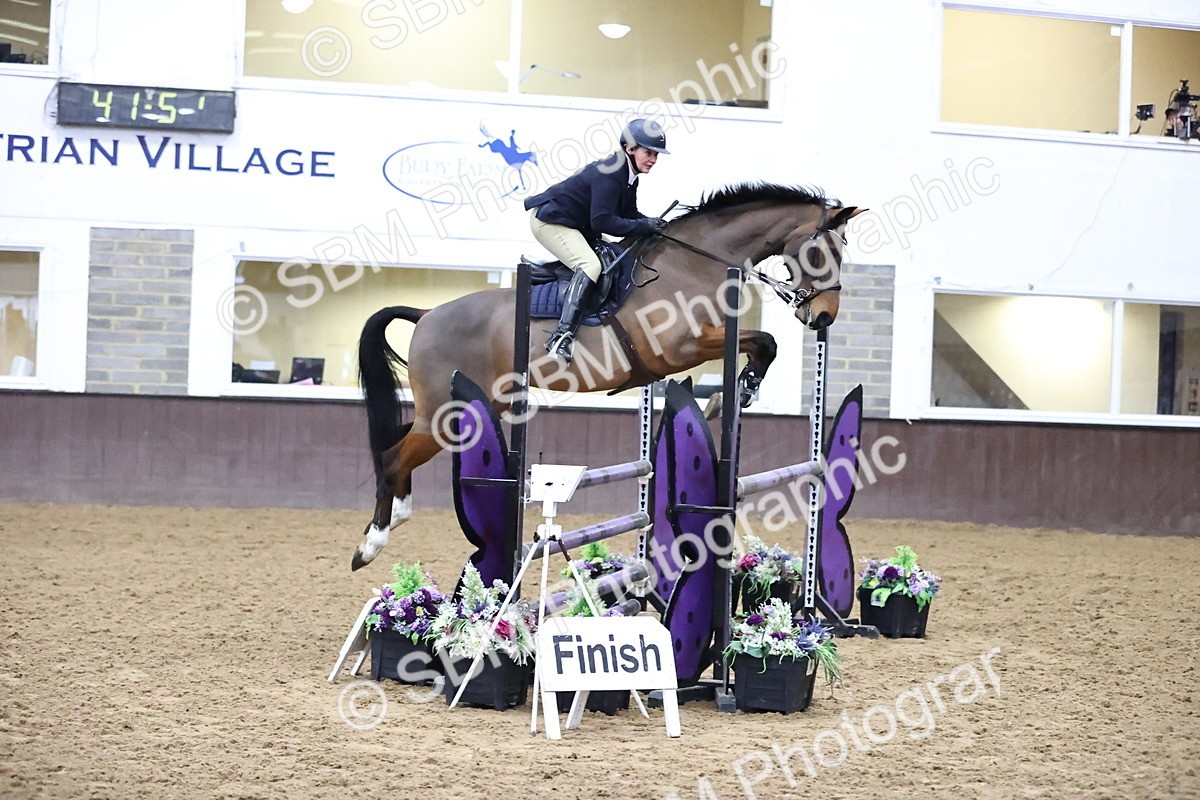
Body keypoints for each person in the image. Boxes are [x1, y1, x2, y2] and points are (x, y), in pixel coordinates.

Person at [524, 118, 670, 363]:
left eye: (656, 154)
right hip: (551, 221)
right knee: (591, 265)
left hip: (575, 224)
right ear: (630, 149)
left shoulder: (629, 174)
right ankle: (561, 336)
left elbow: (627, 215)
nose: (653, 159)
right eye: (649, 152)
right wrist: (643, 225)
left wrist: (653, 224)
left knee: (610, 257)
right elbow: (602, 222)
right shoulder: (612, 173)